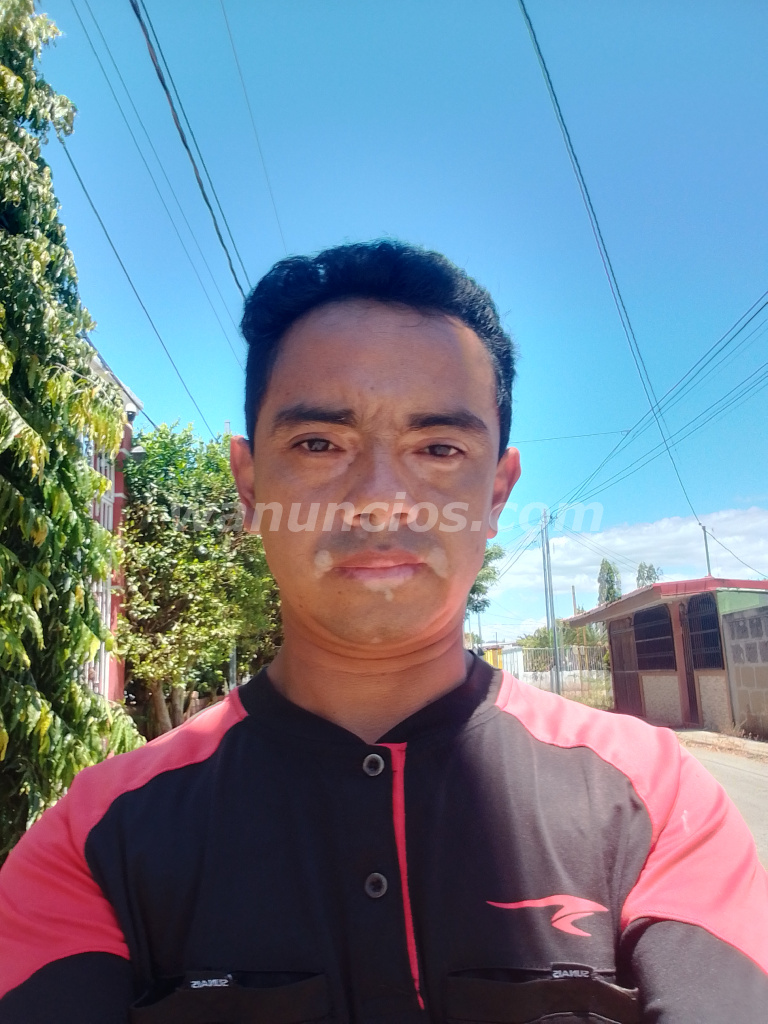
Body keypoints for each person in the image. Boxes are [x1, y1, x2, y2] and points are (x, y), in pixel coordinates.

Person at [0, 241, 766, 1023]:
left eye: (438, 448)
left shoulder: (655, 803)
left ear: (497, 493)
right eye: (319, 444)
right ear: (250, 484)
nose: (380, 497)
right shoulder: (96, 839)